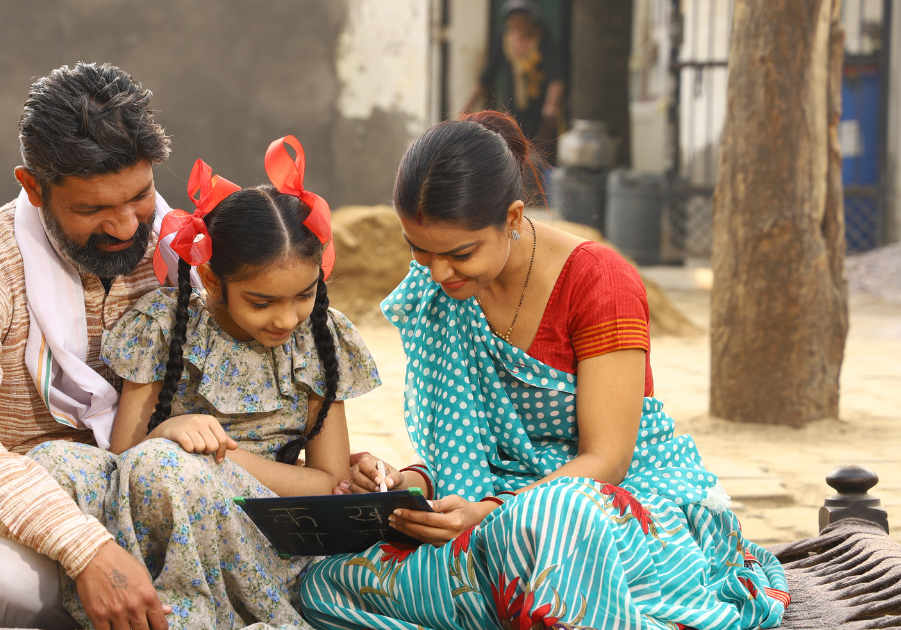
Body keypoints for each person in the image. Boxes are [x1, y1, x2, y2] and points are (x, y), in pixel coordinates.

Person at [300, 111, 790, 630]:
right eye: (419, 250)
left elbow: (606, 459)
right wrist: (407, 484)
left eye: (460, 254)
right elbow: (463, 450)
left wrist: (490, 512)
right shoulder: (439, 288)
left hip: (611, 508)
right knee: (324, 583)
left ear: (512, 218)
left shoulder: (600, 281)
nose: (439, 271)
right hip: (490, 512)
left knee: (552, 523)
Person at [0, 62, 262, 630]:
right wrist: (86, 548)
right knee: (14, 585)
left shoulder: (191, 247)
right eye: (92, 209)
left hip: (174, 504)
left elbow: (272, 370)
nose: (125, 227)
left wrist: (335, 460)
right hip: (16, 522)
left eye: (140, 196)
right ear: (31, 186)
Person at [29, 136, 381, 629]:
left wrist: (222, 459)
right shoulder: (165, 324)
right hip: (159, 494)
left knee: (168, 466)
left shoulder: (320, 337)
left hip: (260, 526)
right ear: (213, 281)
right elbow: (126, 455)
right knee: (51, 463)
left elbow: (328, 484)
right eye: (262, 302)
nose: (287, 319)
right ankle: (126, 591)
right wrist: (171, 431)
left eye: (304, 295)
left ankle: (188, 615)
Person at [463, 0, 565, 147]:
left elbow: (556, 79)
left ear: (532, 21)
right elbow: (487, 75)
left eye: (523, 20)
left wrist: (551, 105)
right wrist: (468, 105)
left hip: (540, 112)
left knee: (542, 153)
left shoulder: (545, 42)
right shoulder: (504, 40)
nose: (518, 25)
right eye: (514, 21)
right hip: (513, 111)